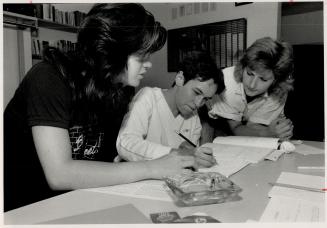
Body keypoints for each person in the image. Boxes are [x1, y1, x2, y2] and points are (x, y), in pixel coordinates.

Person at [3, 3, 196, 212]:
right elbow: (60, 174)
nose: (148, 64)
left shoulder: (118, 90)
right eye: (141, 56)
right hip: (25, 206)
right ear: (112, 53)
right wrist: (152, 167)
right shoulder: (48, 78)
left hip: (78, 200)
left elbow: (108, 162)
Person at [116, 52, 225, 168]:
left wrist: (195, 156)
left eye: (205, 99)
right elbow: (126, 143)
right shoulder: (148, 97)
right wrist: (175, 153)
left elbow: (189, 159)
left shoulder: (194, 118)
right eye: (197, 92)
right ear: (180, 78)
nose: (198, 103)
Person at [207, 37, 294, 140]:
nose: (252, 85)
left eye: (263, 79)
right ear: (243, 66)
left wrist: (280, 130)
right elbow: (235, 128)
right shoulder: (227, 83)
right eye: (249, 73)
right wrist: (268, 132)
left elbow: (253, 127)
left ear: (276, 81)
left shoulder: (279, 92)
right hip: (212, 121)